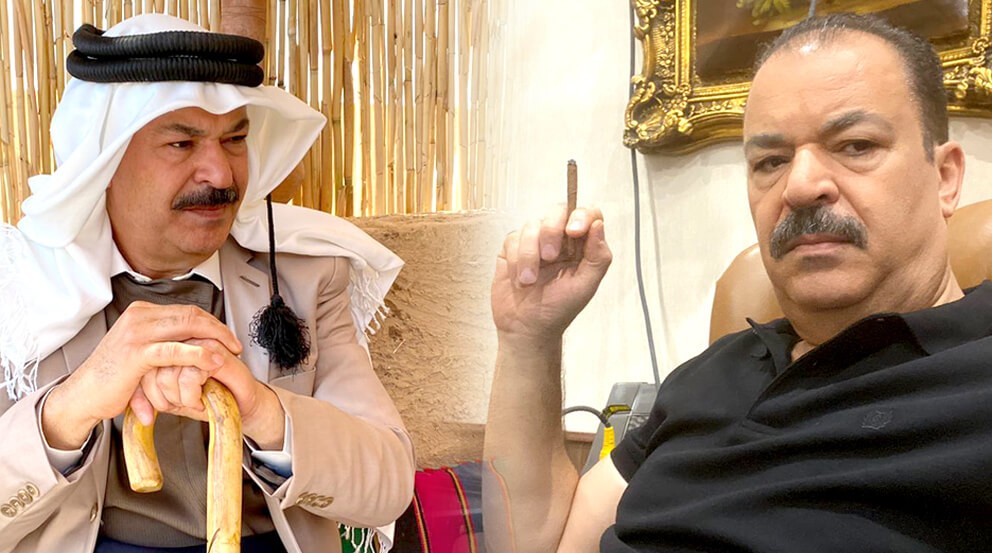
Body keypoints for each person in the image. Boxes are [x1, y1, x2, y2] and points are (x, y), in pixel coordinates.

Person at [484, 13, 992, 553]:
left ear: (945, 178)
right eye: (771, 161)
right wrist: (529, 338)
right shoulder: (711, 375)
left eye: (855, 145)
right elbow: (543, 545)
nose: (800, 186)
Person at [0, 14, 414, 553]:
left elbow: (388, 486)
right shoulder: (19, 287)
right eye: (181, 144)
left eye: (235, 140)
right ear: (105, 160)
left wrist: (263, 411)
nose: (220, 175)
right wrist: (69, 409)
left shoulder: (305, 275)